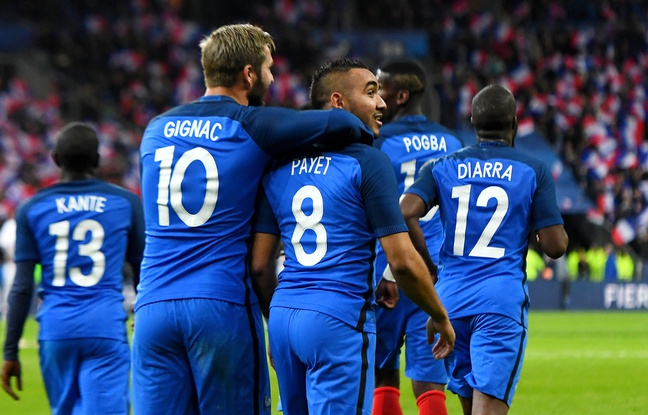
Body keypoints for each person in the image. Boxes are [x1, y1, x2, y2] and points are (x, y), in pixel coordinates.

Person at [133, 24, 374, 415]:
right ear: (249, 74)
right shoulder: (252, 125)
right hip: (219, 303)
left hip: (152, 307)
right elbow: (341, 123)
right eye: (268, 68)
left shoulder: (155, 129)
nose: (273, 77)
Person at [250, 58, 455, 415]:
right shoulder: (367, 161)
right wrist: (439, 314)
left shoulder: (278, 164)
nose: (382, 104)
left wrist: (274, 321)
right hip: (338, 320)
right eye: (371, 93)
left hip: (284, 319)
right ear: (338, 103)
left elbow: (259, 265)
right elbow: (403, 263)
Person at [400, 84, 568, 415]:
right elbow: (555, 246)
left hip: (449, 303)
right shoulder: (533, 170)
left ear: (473, 123)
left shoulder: (441, 166)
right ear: (515, 124)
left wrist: (428, 266)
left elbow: (406, 210)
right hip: (499, 303)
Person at [1, 122, 145, 414]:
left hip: (55, 329)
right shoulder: (126, 203)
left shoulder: (31, 208)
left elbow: (22, 286)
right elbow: (144, 269)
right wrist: (145, 317)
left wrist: (10, 351)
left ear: (54, 159)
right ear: (97, 160)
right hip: (105, 324)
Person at [371, 58, 463, 415]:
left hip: (388, 269)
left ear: (402, 95)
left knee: (382, 374)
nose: (376, 98)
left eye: (381, 89)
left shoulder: (378, 141)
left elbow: (380, 207)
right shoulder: (452, 141)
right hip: (435, 272)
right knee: (429, 381)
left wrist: (391, 271)